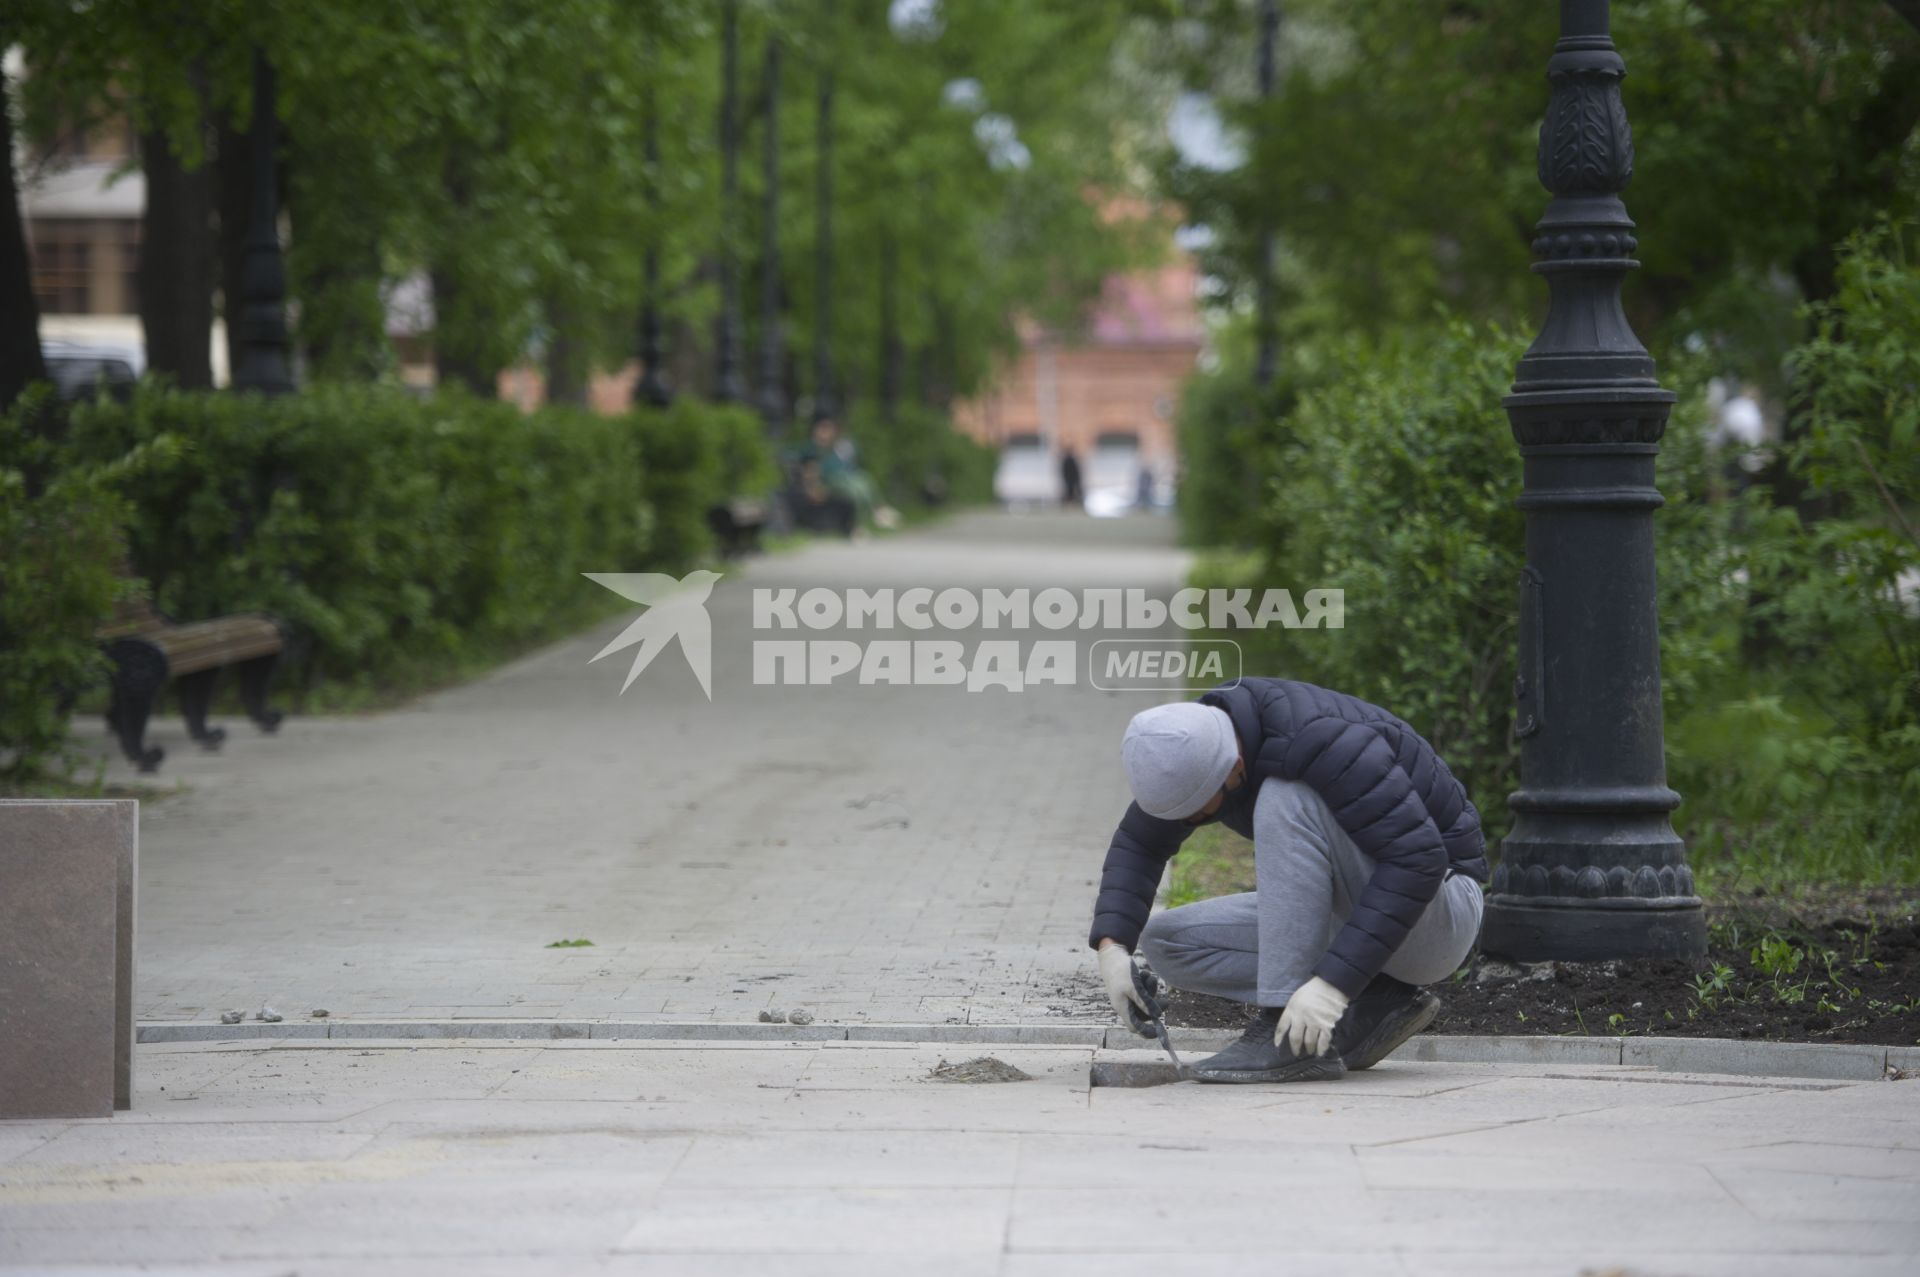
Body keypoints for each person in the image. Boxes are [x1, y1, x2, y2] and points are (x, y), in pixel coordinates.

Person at [1090, 678, 1489, 1083]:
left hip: (1440, 914)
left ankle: (1284, 1038)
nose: (1189, 822)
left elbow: (1417, 860)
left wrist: (1332, 985)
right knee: (1167, 941)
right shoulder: (1196, 741)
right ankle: (1377, 1001)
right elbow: (1140, 842)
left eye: (1195, 812)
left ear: (1234, 769)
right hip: (1363, 911)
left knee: (1285, 797)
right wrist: (1113, 948)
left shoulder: (1326, 740)